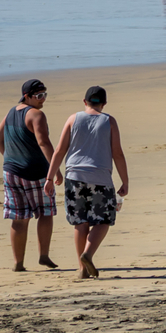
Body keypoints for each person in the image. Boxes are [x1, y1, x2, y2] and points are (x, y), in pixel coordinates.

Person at [49, 86, 129, 280]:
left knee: (80, 222)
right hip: (100, 178)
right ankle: (88, 254)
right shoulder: (109, 121)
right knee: (103, 220)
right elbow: (117, 153)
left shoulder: (73, 119)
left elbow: (59, 150)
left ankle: (82, 269)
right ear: (104, 104)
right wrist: (125, 181)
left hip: (74, 177)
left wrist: (49, 177)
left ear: (84, 102)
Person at [0, 79, 59, 271]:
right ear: (27, 96)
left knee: (19, 218)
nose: (43, 100)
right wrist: (55, 171)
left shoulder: (11, 112)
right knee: (45, 213)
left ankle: (18, 263)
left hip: (11, 172)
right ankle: (43, 255)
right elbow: (44, 143)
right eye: (39, 96)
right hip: (35, 172)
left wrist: (10, 158)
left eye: (45, 95)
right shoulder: (37, 115)